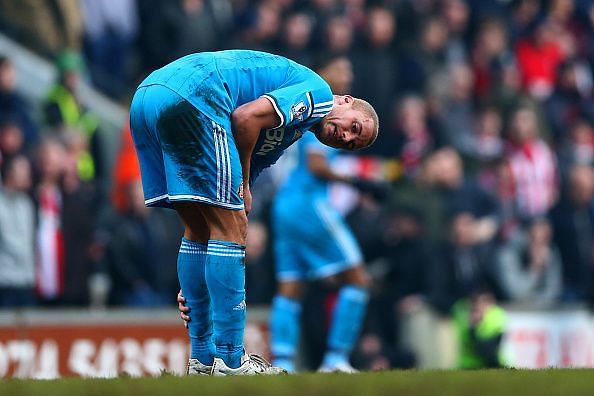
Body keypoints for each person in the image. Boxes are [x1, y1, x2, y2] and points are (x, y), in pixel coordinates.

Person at [130, 50, 379, 376]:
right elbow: (246, 117)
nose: (344, 137)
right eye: (354, 127)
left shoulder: (291, 131)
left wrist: (199, 281)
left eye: (350, 144)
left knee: (199, 229)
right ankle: (232, 362)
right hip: (196, 94)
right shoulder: (318, 93)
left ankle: (202, 361)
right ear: (346, 101)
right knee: (232, 228)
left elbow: (246, 158)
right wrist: (243, 182)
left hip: (149, 96)